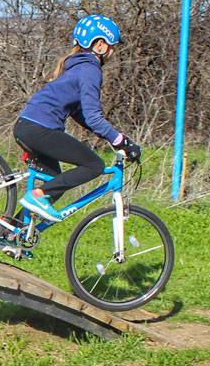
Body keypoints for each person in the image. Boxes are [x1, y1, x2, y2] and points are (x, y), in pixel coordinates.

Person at [14, 14, 141, 222]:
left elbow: (81, 114)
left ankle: (9, 232)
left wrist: (112, 138)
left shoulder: (76, 66)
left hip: (28, 127)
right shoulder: (90, 70)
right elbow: (94, 117)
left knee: (55, 184)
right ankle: (36, 195)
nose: (112, 52)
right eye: (112, 46)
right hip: (40, 130)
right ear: (100, 45)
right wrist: (121, 141)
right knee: (94, 165)